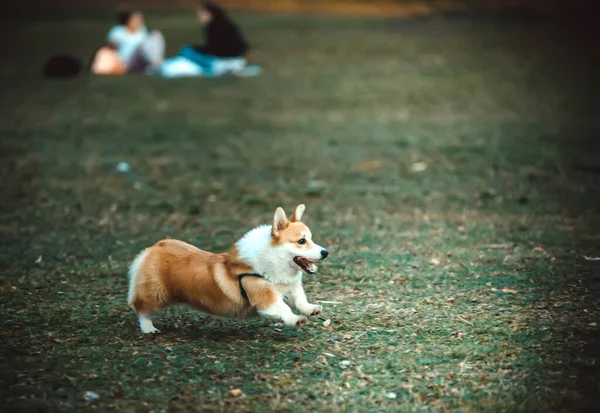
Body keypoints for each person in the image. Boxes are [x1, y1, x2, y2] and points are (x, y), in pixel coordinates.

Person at [92, 9, 165, 75]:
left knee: (156, 35)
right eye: (136, 19)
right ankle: (155, 66)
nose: (140, 21)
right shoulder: (118, 32)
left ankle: (156, 64)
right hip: (126, 60)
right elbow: (111, 49)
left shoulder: (142, 31)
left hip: (141, 59)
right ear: (128, 20)